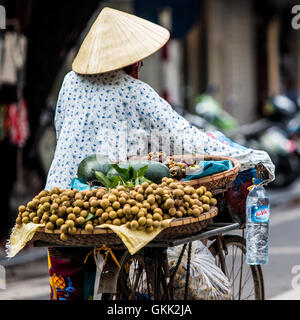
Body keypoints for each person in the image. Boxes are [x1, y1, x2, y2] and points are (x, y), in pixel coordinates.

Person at [45, 7, 275, 300]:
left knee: (68, 287)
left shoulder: (68, 83)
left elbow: (63, 129)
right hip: (114, 202)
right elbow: (187, 138)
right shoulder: (135, 92)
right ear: (131, 62)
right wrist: (247, 156)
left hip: (58, 203)